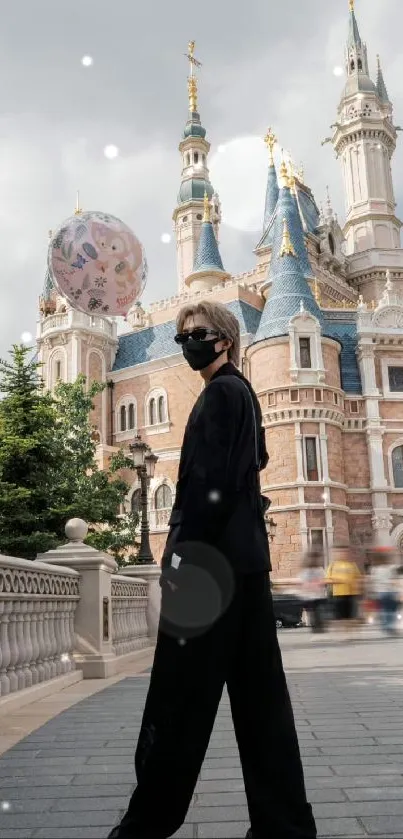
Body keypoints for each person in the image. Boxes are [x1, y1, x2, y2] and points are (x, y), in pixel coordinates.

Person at [109, 301, 316, 839]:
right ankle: (284, 826)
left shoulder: (221, 394)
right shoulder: (240, 392)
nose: (188, 344)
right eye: (181, 337)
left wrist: (179, 557)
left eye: (196, 334)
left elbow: (210, 488)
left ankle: (145, 826)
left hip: (210, 574)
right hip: (244, 567)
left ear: (223, 339)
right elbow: (257, 463)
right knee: (260, 702)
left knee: (178, 700)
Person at [326, 545, 362, 635]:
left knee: (350, 615)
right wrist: (336, 581)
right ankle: (343, 632)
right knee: (340, 615)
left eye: (345, 552)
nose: (343, 554)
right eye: (340, 552)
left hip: (352, 593)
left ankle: (349, 632)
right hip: (338, 593)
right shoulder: (333, 565)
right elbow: (327, 579)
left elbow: (358, 578)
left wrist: (359, 588)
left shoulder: (352, 565)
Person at [368, 547, 400, 636]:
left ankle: (386, 626)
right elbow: (394, 580)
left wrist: (371, 593)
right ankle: (390, 627)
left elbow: (372, 581)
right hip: (391, 591)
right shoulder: (390, 568)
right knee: (392, 610)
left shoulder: (374, 569)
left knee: (384, 610)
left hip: (381, 592)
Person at [298, 549, 327, 633]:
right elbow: (302, 582)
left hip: (318, 596)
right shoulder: (305, 571)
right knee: (314, 613)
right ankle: (316, 628)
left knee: (318, 612)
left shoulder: (319, 570)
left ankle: (319, 628)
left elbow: (323, 581)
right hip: (309, 596)